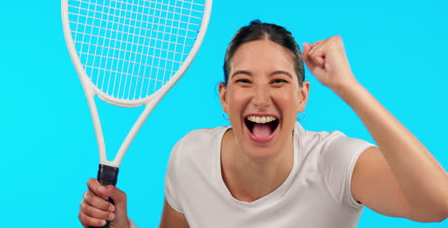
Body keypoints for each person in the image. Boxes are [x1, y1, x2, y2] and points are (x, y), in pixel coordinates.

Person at [78, 20, 448, 228]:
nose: (260, 97)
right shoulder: (189, 156)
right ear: (223, 96)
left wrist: (347, 87)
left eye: (278, 81)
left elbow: (438, 204)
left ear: (303, 96)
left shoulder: (334, 162)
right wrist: (121, 227)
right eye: (244, 81)